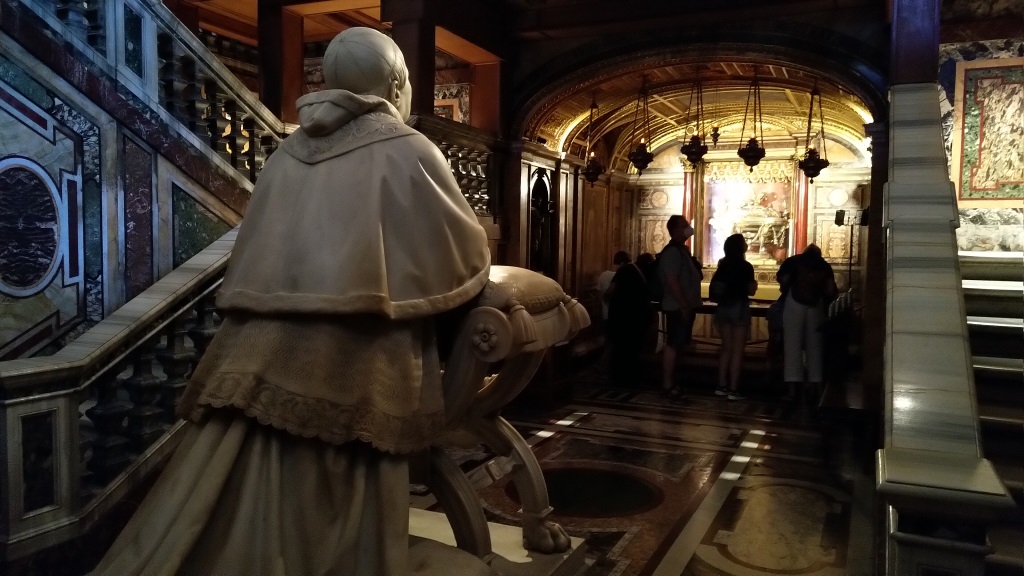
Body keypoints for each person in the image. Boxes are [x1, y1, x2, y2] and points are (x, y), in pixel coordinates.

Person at [92, 28, 494, 576]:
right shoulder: (409, 150)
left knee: (248, 473)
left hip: (262, 344)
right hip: (362, 343)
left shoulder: (287, 154)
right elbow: (460, 254)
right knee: (347, 470)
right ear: (396, 84)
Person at [776, 244, 838, 406]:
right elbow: (830, 289)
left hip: (794, 303)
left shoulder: (793, 261)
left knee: (792, 347)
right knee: (815, 347)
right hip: (816, 305)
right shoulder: (824, 265)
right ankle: (816, 387)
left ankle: (792, 390)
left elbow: (784, 280)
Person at [657, 215, 702, 398]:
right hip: (677, 307)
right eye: (684, 225)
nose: (688, 228)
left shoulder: (681, 251)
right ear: (675, 230)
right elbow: (672, 280)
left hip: (682, 306)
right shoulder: (672, 253)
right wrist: (684, 305)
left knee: (679, 344)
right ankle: (668, 384)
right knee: (673, 344)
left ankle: (673, 382)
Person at [711, 234, 758, 400]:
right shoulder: (745, 266)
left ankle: (721, 386)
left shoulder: (722, 265)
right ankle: (733, 389)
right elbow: (751, 290)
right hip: (739, 306)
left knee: (726, 348)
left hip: (723, 307)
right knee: (737, 350)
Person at [605, 252, 652, 387]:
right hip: (637, 317)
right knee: (633, 349)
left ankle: (618, 378)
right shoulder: (643, 274)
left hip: (621, 316)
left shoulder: (625, 270)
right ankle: (631, 378)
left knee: (620, 348)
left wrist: (605, 298)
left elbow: (611, 291)